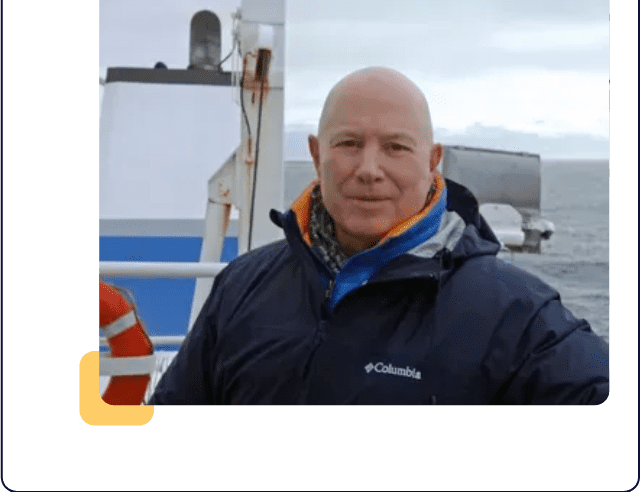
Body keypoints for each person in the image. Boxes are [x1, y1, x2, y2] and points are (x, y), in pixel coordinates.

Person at [148, 66, 609, 406]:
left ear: (432, 162)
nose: (369, 170)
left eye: (395, 148)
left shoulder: (515, 315)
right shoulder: (243, 285)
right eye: (348, 143)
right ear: (316, 153)